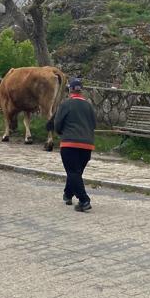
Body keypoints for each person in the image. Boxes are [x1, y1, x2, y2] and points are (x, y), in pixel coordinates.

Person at [50, 77, 96, 212]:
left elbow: (57, 125)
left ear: (70, 90)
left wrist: (60, 133)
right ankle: (68, 194)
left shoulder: (65, 105)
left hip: (70, 144)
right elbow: (93, 124)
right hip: (87, 146)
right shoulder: (89, 106)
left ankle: (84, 200)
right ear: (81, 91)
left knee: (73, 172)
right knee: (76, 172)